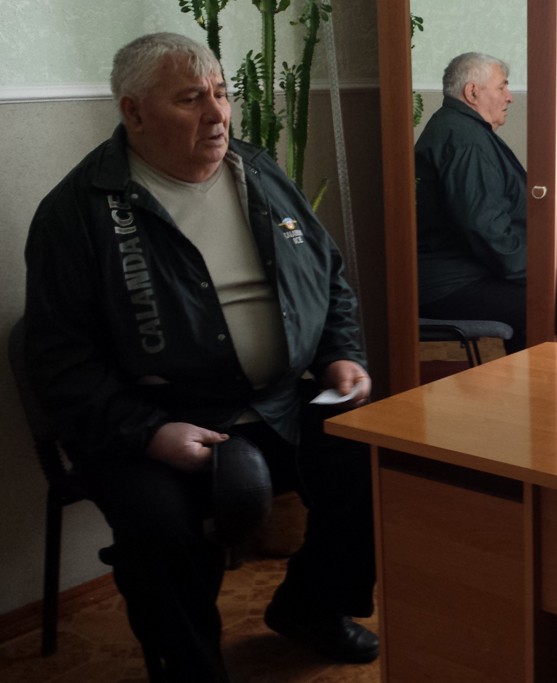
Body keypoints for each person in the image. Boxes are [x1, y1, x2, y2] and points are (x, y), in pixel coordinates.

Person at [23, 32, 377, 682]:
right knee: (160, 531)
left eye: (221, 93)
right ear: (134, 112)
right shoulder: (78, 212)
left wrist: (339, 355)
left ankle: (311, 606)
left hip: (273, 403)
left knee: (371, 456)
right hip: (152, 420)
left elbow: (328, 277)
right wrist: (149, 433)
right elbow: (60, 360)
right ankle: (192, 671)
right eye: (191, 99)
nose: (217, 114)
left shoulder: (258, 172)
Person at [415, 51, 557, 353]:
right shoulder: (465, 139)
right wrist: (533, 268)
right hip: (448, 283)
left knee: (541, 293)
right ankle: (534, 384)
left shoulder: (457, 127)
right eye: (502, 86)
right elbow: (482, 225)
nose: (509, 97)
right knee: (538, 303)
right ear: (472, 92)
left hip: (455, 275)